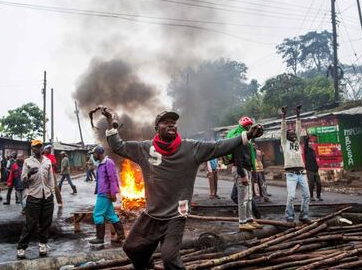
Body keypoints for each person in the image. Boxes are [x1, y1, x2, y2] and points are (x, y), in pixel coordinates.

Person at [100, 107, 263, 269]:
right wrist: (111, 122)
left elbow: (219, 146)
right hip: (152, 213)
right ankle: (146, 264)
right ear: (157, 128)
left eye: (174, 123)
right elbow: (118, 146)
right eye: (166, 122)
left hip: (177, 214)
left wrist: (247, 135)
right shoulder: (145, 149)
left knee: (169, 257)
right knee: (130, 248)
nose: (171, 125)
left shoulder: (191, 148)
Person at [17, 140, 54, 259]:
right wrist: (29, 173)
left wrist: (51, 192)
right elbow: (23, 180)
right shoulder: (28, 162)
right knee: (30, 224)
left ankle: (43, 244)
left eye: (39, 147)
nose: (37, 149)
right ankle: (21, 247)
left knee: (46, 222)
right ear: (32, 149)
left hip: (47, 196)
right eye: (34, 147)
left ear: (42, 148)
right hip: (33, 196)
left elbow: (50, 179)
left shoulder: (47, 161)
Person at [227, 116, 263, 232]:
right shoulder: (239, 139)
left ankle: (250, 219)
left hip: (247, 169)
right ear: (243, 127)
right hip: (240, 169)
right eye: (247, 127)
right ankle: (242, 222)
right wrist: (242, 175)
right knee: (242, 198)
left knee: (248, 197)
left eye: (250, 126)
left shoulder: (249, 141)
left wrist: (251, 171)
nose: (249, 129)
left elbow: (249, 158)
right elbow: (237, 158)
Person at [280, 106, 311, 224]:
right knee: (291, 196)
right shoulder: (284, 143)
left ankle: (304, 215)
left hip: (302, 173)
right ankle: (289, 216)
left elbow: (298, 128)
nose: (293, 135)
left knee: (307, 195)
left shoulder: (297, 141)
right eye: (291, 134)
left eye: (294, 133)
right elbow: (283, 130)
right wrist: (283, 116)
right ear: (287, 137)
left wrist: (298, 115)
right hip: (291, 174)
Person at [89, 145, 125, 244]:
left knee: (97, 214)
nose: (93, 156)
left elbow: (113, 179)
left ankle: (100, 238)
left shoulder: (108, 163)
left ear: (98, 153)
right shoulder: (101, 164)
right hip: (102, 192)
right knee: (111, 215)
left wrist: (113, 193)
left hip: (105, 193)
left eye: (94, 154)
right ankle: (121, 236)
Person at [304, 136, 323, 202]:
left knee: (319, 183)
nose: (312, 144)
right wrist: (308, 138)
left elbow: (315, 160)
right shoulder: (306, 150)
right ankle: (311, 196)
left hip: (315, 170)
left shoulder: (313, 151)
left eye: (312, 143)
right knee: (311, 183)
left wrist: (317, 167)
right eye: (310, 143)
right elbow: (306, 144)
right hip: (309, 170)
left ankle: (318, 196)